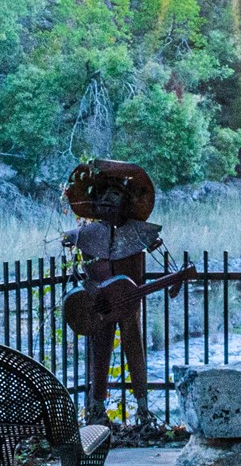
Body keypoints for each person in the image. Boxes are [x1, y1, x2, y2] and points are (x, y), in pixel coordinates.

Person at [61, 160, 188, 423]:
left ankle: (142, 407)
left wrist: (175, 276)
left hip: (130, 308)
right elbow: (74, 271)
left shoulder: (140, 234)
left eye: (115, 195)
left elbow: (164, 257)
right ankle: (96, 408)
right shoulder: (85, 235)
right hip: (98, 307)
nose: (109, 201)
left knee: (134, 346)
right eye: (104, 196)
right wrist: (89, 287)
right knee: (100, 349)